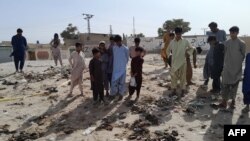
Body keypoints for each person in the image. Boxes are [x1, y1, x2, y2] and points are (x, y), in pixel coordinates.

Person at [219, 26, 246, 109]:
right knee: (225, 84)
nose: (231, 34)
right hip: (227, 67)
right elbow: (225, 54)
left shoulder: (241, 43)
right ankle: (224, 102)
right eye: (230, 33)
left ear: (237, 33)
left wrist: (237, 63)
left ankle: (233, 102)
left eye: (233, 33)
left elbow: (243, 55)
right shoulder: (226, 43)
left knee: (234, 85)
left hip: (236, 68)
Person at [166, 27, 194, 97]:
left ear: (181, 33)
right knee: (173, 77)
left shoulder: (185, 41)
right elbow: (167, 50)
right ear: (175, 33)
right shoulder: (172, 42)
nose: (178, 35)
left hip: (182, 62)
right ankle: (174, 91)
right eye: (177, 33)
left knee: (183, 77)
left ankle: (182, 91)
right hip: (174, 62)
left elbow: (192, 48)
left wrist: (188, 53)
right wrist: (169, 56)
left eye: (179, 33)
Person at [111, 35, 129, 101]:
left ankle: (121, 94)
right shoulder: (114, 48)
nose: (116, 43)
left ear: (120, 41)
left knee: (122, 82)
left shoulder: (125, 49)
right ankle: (113, 94)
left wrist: (123, 65)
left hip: (122, 69)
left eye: (117, 41)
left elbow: (127, 58)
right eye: (116, 42)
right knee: (114, 82)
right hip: (115, 68)